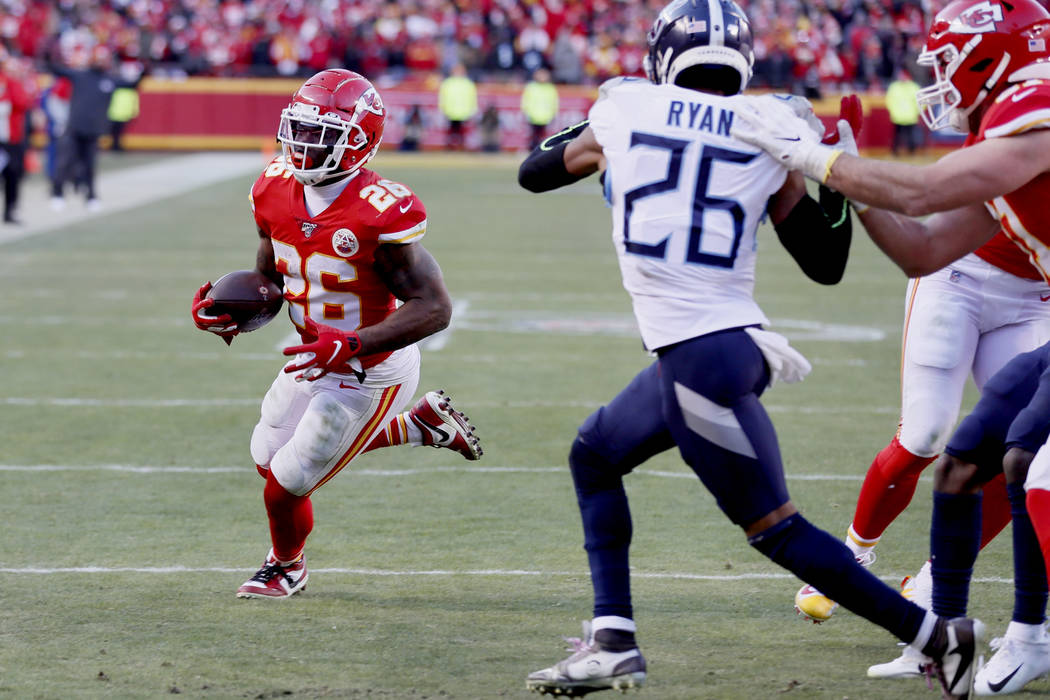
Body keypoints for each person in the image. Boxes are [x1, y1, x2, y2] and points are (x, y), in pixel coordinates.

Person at [517, 1, 982, 696]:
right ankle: (613, 639)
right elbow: (824, 262)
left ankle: (937, 637)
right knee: (595, 453)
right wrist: (833, 178)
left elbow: (535, 170)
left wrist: (608, 143)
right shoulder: (772, 125)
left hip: (701, 360)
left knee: (777, 531)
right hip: (712, 349)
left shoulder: (623, 109)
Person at [732, 0, 1050, 692]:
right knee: (969, 457)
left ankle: (1032, 634)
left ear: (988, 56)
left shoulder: (1035, 103)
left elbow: (927, 190)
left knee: (1039, 468)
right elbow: (926, 246)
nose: (939, 80)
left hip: (1034, 300)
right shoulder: (1012, 122)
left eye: (947, 62)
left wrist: (819, 157)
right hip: (969, 283)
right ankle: (936, 616)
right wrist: (839, 177)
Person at [189, 69, 482, 599]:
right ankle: (417, 427)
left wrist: (351, 344)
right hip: (314, 357)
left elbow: (435, 308)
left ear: (359, 142)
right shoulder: (273, 188)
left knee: (285, 487)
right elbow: (271, 279)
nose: (302, 145)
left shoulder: (380, 212)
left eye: (320, 135)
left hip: (369, 368)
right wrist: (231, 309)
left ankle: (286, 566)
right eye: (298, 130)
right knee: (265, 456)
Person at [48, 45, 140, 211]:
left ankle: (90, 196)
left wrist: (143, 67)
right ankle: (57, 193)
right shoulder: (80, 75)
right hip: (74, 128)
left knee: (90, 166)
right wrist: (50, 53)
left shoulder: (109, 80)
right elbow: (56, 70)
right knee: (64, 163)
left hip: (93, 131)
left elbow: (132, 84)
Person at [0, 55, 33, 225]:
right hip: (5, 137)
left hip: (13, 136)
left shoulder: (14, 82)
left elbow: (24, 102)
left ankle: (10, 210)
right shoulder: (7, 82)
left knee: (13, 175)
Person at [437, 63, 477, 150]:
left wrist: (473, 110)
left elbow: (472, 98)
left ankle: (462, 147)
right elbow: (442, 97)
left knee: (463, 132)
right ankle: (450, 147)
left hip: (464, 112)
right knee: (451, 132)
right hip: (450, 112)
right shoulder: (447, 83)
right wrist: (442, 109)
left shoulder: (468, 83)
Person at [886, 67, 922, 156]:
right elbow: (889, 100)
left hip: (908, 116)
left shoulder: (913, 86)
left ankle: (910, 151)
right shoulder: (896, 86)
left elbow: (920, 102)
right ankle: (897, 151)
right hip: (900, 116)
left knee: (909, 136)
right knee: (898, 136)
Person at [521, 68, 559, 151]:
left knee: (543, 136)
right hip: (533, 116)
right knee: (533, 136)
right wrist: (526, 112)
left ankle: (540, 151)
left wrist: (553, 114)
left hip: (545, 117)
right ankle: (531, 151)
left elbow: (554, 102)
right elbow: (526, 101)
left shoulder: (550, 88)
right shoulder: (531, 87)